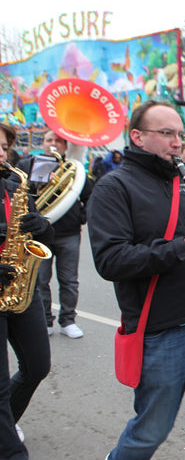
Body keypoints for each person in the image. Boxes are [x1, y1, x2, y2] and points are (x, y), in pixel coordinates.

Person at [87, 101, 185, 459]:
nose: (177, 143)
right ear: (137, 136)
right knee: (150, 430)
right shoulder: (113, 188)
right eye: (166, 133)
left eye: (180, 135)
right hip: (163, 328)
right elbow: (111, 260)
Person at [0, 122, 54, 459]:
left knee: (37, 365)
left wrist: (43, 226)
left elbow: (41, 237)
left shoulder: (12, 184)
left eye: (4, 148)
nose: (0, 154)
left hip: (19, 287)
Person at [17, 130, 93, 339]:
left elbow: (90, 196)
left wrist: (81, 217)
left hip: (68, 233)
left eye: (58, 141)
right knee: (40, 280)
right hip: (40, 235)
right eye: (49, 140)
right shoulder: (27, 166)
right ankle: (46, 320)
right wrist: (39, 184)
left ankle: (68, 320)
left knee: (69, 280)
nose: (53, 144)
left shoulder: (74, 169)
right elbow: (20, 194)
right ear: (42, 143)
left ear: (65, 146)